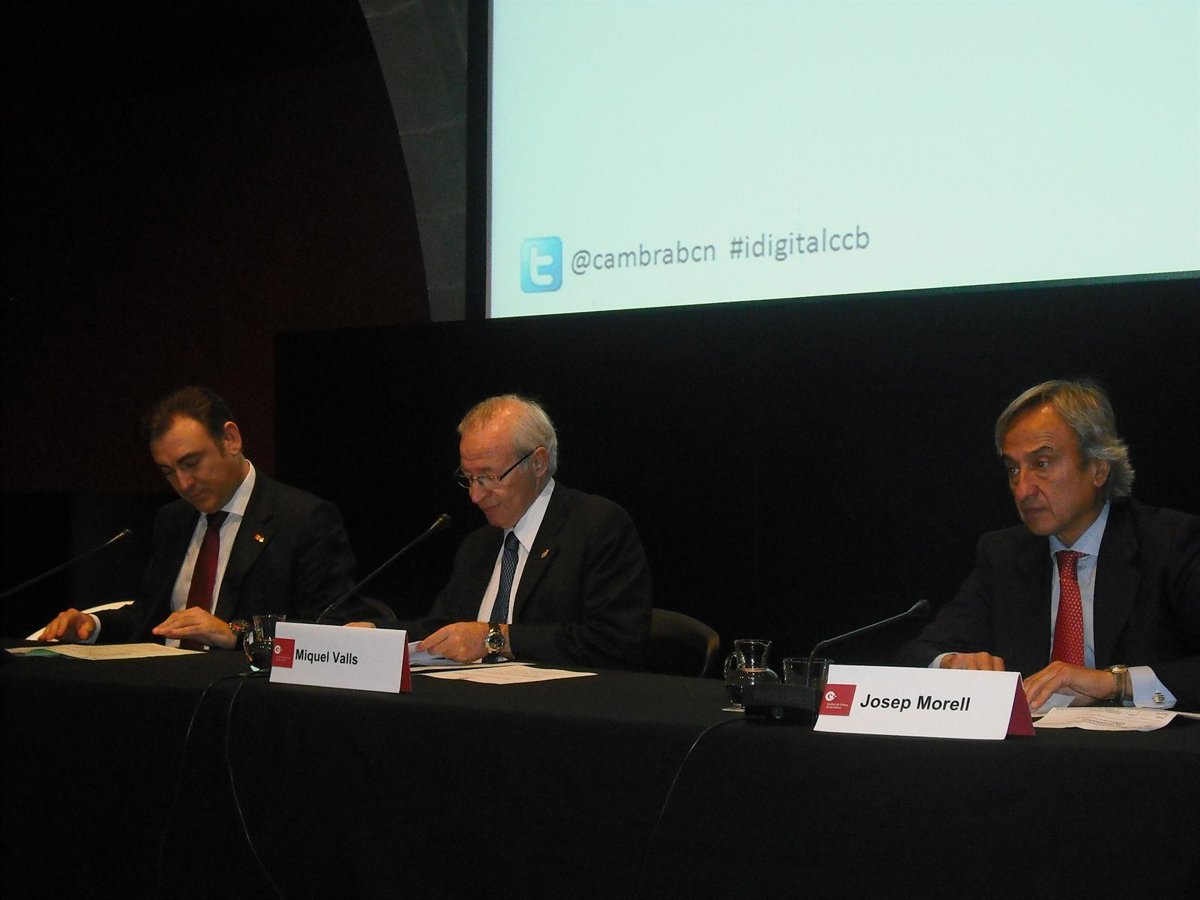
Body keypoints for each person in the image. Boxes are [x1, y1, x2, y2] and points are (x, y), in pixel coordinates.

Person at [899, 379, 1200, 710]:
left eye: (1041, 464)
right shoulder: (1003, 555)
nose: (1022, 489)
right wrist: (951, 663)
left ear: (1098, 468)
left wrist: (1115, 683)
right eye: (1013, 469)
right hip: (1038, 741)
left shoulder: (1170, 543)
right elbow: (918, 654)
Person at [37, 386, 357, 649]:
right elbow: (153, 617)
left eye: (191, 463)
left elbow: (330, 632)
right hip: (168, 686)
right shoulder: (173, 519)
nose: (183, 483)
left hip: (243, 695)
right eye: (168, 472)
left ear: (230, 439)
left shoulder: (304, 519)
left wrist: (235, 634)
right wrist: (92, 626)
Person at [360, 394, 653, 669]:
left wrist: (495, 638)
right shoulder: (478, 545)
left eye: (488, 476)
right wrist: (375, 633)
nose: (475, 495)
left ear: (538, 463)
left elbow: (615, 641)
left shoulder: (596, 526)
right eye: (468, 478)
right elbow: (442, 629)